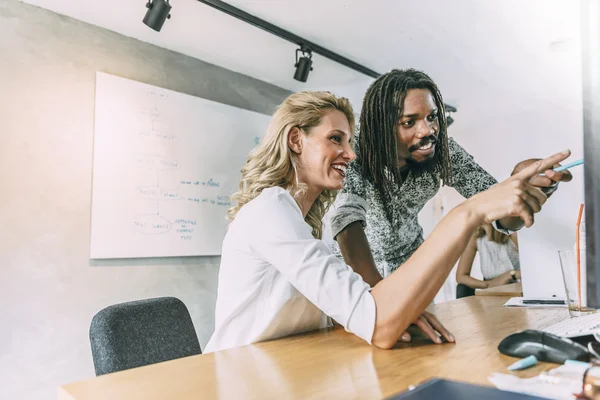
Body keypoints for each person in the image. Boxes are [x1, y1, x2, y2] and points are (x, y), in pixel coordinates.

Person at [203, 90, 570, 353]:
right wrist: (466, 213)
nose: (349, 153)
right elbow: (351, 240)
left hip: (290, 361)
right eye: (336, 139)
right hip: (237, 375)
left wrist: (522, 185)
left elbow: (504, 210)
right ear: (296, 140)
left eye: (348, 140)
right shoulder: (272, 210)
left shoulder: (300, 221)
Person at [330, 69, 572, 341]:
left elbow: (500, 214)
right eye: (409, 122)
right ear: (381, 127)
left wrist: (522, 188)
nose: (428, 130)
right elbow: (346, 225)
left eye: (432, 117)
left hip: (410, 266)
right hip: (355, 271)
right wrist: (379, 302)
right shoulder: (356, 149)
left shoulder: (443, 148)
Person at [455, 224, 520, 298]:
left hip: (516, 287)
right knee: (462, 289)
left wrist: (509, 275)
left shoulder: (512, 233)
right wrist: (487, 284)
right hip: (492, 291)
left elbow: (533, 270)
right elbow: (460, 276)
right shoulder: (476, 238)